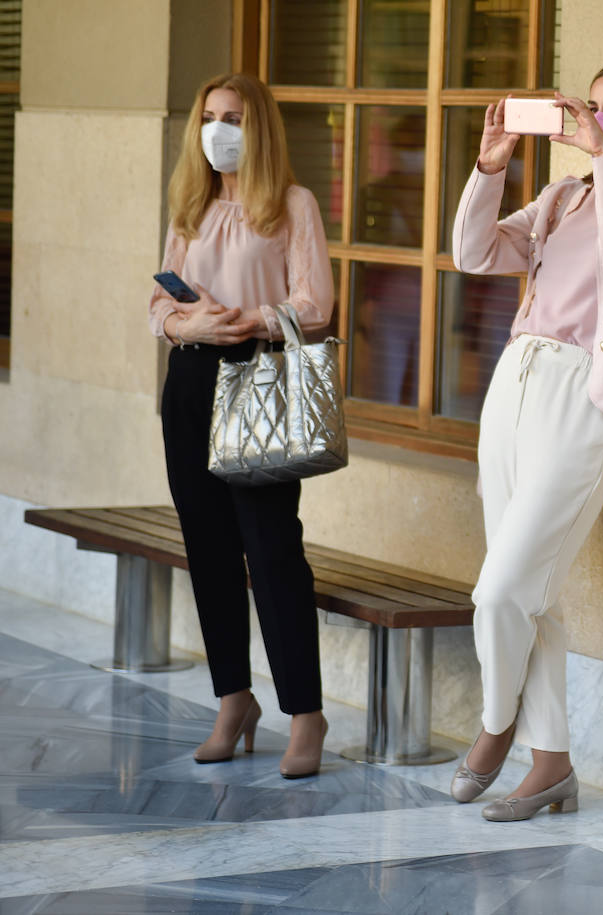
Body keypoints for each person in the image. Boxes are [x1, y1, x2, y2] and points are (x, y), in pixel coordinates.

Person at [449, 57, 603, 822]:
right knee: (533, 593)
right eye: (589, 106)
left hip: (583, 395)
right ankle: (551, 763)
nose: (595, 118)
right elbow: (474, 253)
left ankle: (496, 725)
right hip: (515, 382)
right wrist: (490, 168)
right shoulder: (563, 197)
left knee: (501, 590)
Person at [149, 73, 334, 779]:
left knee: (272, 546)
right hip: (191, 381)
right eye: (208, 117)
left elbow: (315, 304)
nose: (217, 130)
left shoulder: (292, 204)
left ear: (258, 127)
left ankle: (305, 712)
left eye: (231, 117)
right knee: (208, 547)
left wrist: (247, 320)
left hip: (257, 378)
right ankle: (233, 698)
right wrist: (185, 324)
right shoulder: (190, 205)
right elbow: (158, 302)